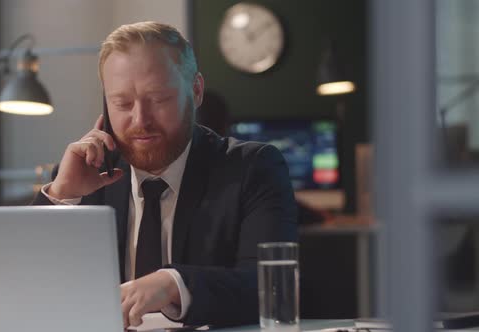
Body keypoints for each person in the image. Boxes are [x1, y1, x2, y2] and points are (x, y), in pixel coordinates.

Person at [32, 21, 297, 328]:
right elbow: (26, 287)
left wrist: (173, 284)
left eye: (158, 100)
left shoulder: (252, 168)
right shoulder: (83, 175)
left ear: (196, 91)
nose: (140, 120)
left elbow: (270, 288)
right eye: (123, 103)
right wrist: (62, 196)